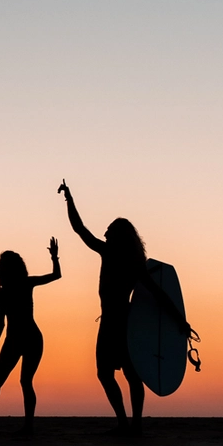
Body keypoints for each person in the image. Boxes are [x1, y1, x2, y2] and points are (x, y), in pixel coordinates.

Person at [60, 179, 148, 430]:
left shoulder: (122, 259)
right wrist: (69, 200)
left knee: (128, 375)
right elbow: (80, 229)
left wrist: (180, 321)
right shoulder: (122, 258)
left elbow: (80, 229)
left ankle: (132, 423)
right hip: (111, 322)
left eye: (109, 230)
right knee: (109, 374)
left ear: (118, 236)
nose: (105, 233)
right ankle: (128, 423)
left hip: (119, 323)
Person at [0, 238, 61, 421]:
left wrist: (55, 257)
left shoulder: (26, 283)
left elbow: (56, 275)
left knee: (25, 381)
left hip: (31, 338)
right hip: (13, 340)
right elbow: (0, 324)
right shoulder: (1, 294)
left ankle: (28, 425)